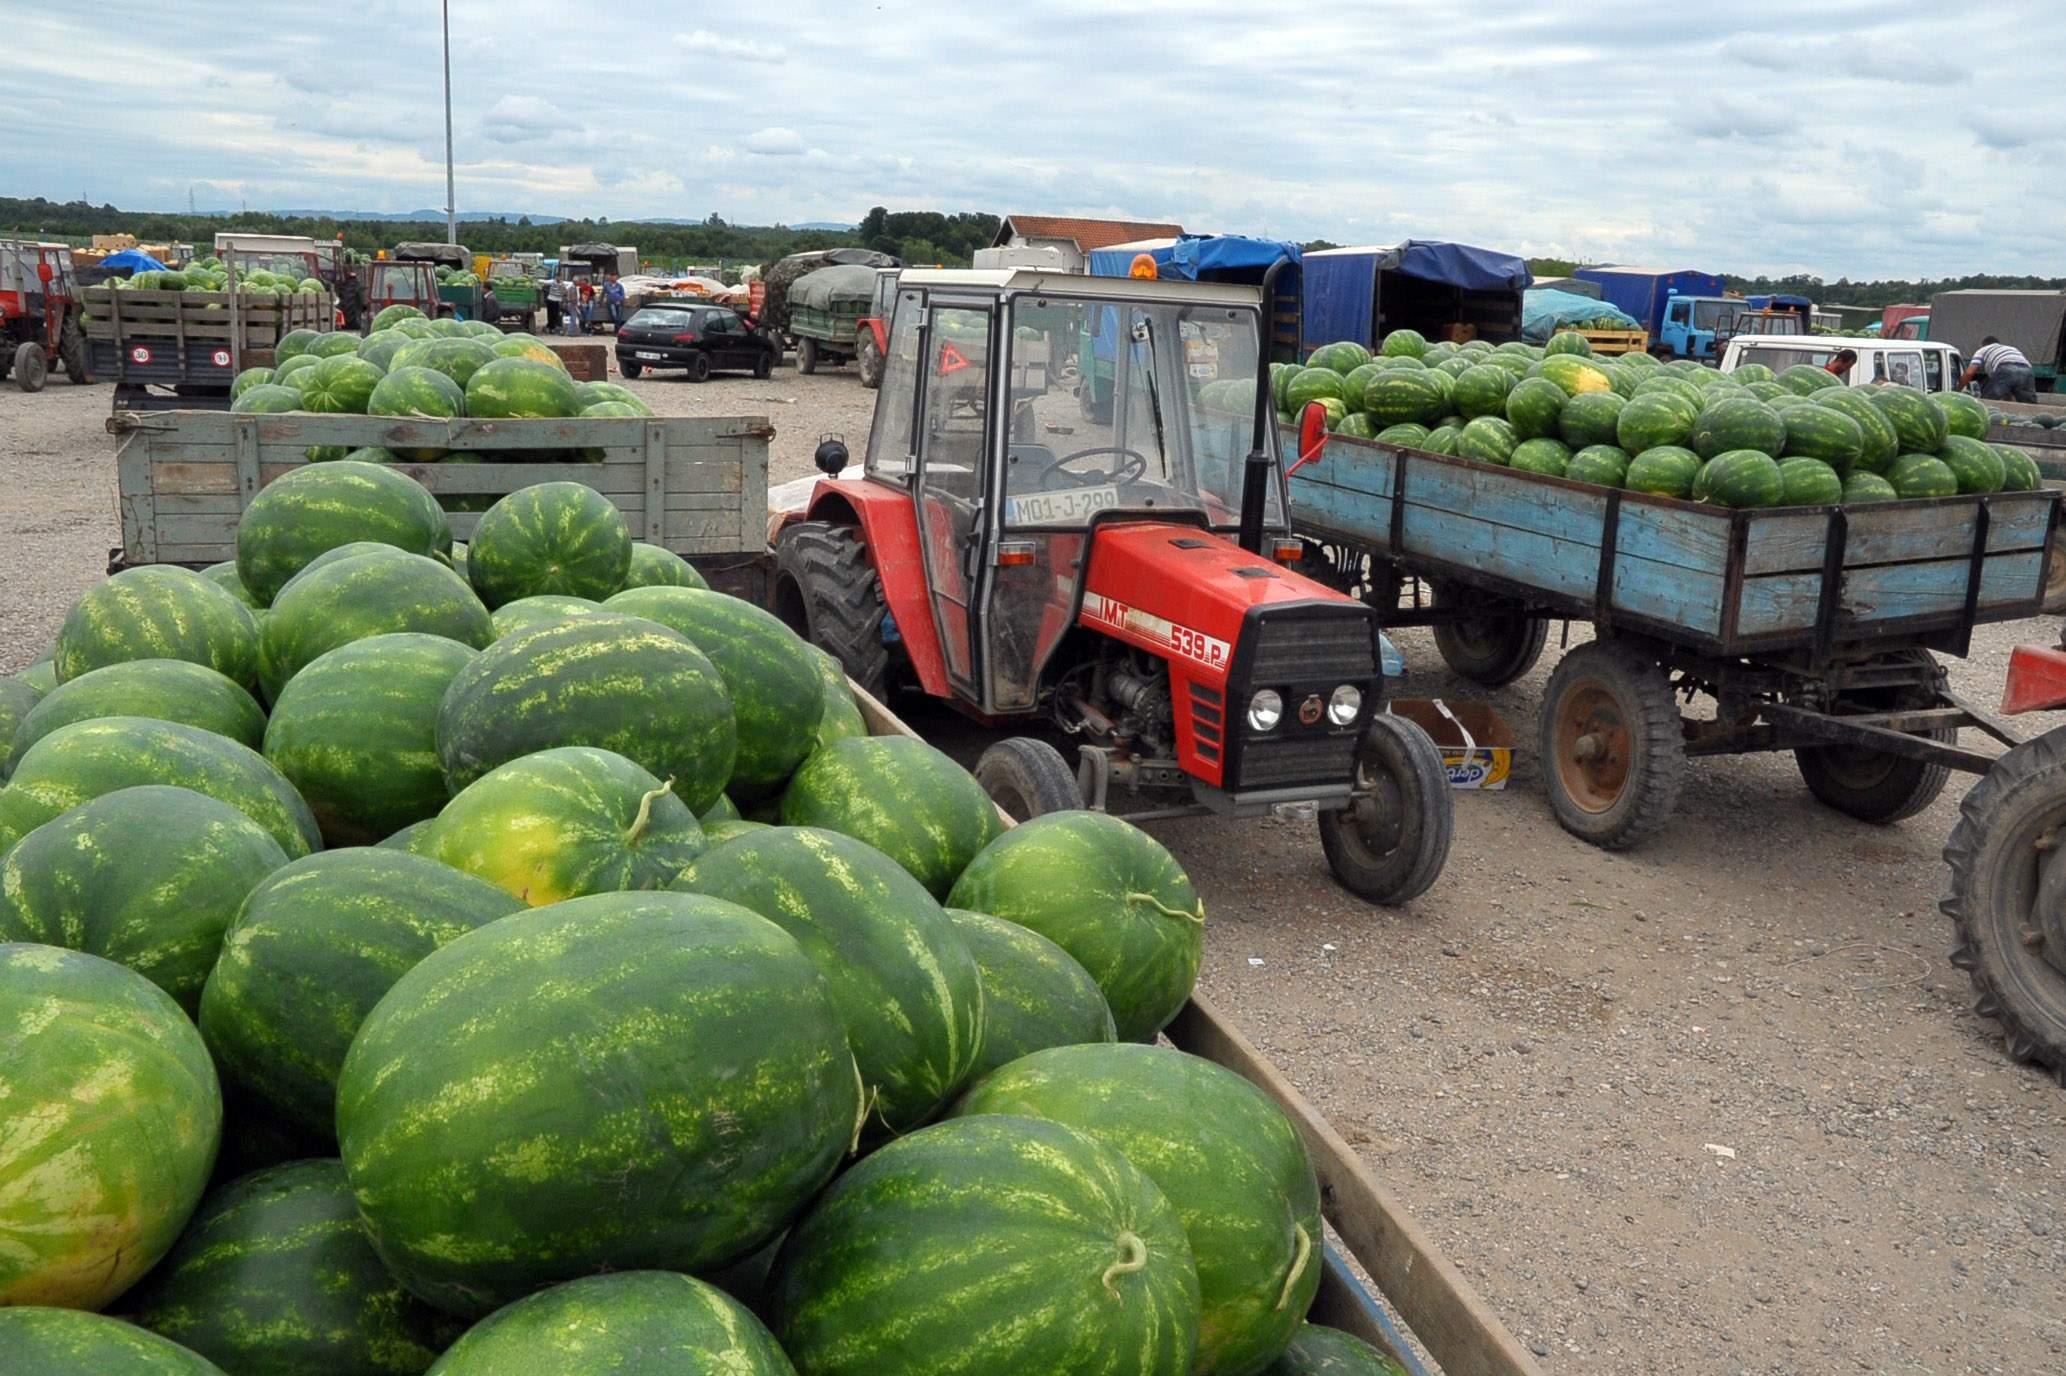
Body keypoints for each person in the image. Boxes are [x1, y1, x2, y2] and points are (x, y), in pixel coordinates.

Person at [1959, 336, 2038, 402]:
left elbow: (1969, 373)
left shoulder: (1983, 350)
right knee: (2028, 403)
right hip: (2027, 370)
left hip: (2006, 367)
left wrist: (1957, 390)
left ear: (1984, 345)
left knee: (1988, 401)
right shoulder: (2012, 348)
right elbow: (2008, 388)